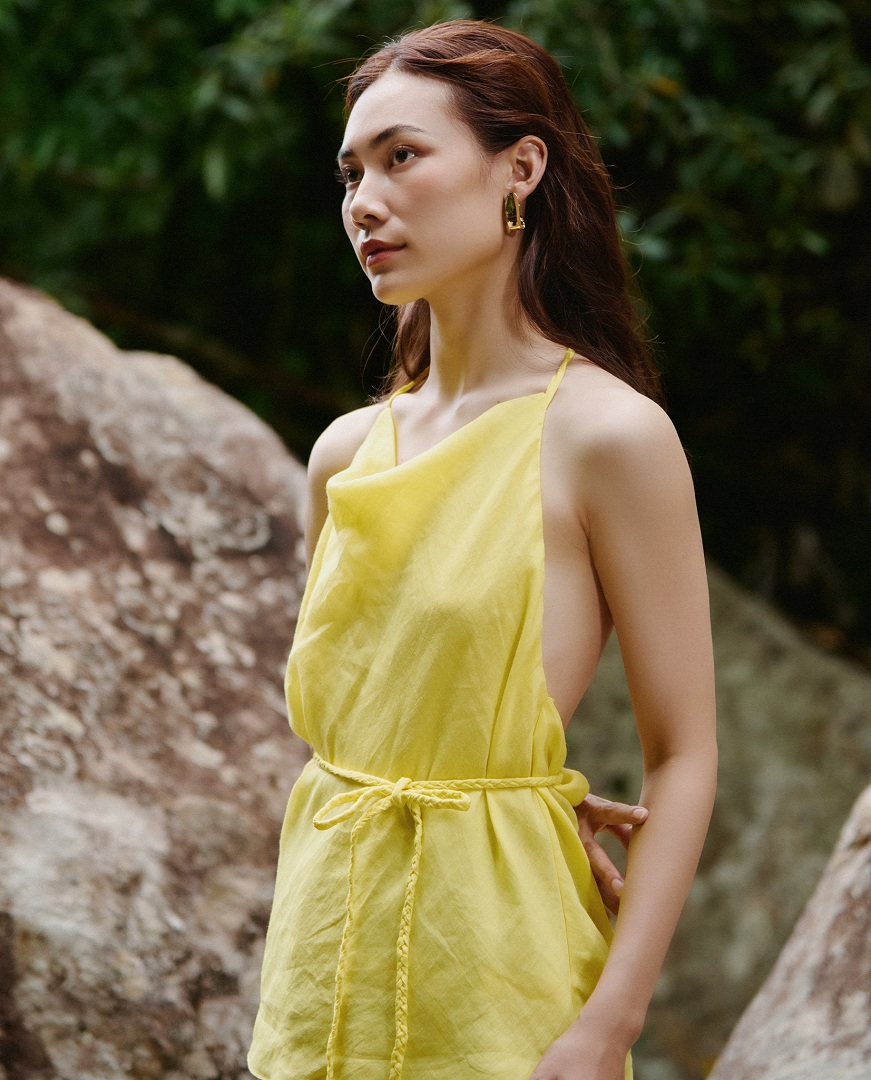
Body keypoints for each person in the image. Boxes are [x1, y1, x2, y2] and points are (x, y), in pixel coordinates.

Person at [248, 19, 717, 1080]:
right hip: (318, 976)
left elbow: (684, 752)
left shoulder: (608, 437)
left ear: (521, 169)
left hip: (506, 993)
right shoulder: (343, 454)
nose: (364, 201)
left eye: (402, 156)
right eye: (351, 173)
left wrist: (608, 1025)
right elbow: (371, 715)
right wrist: (490, 781)